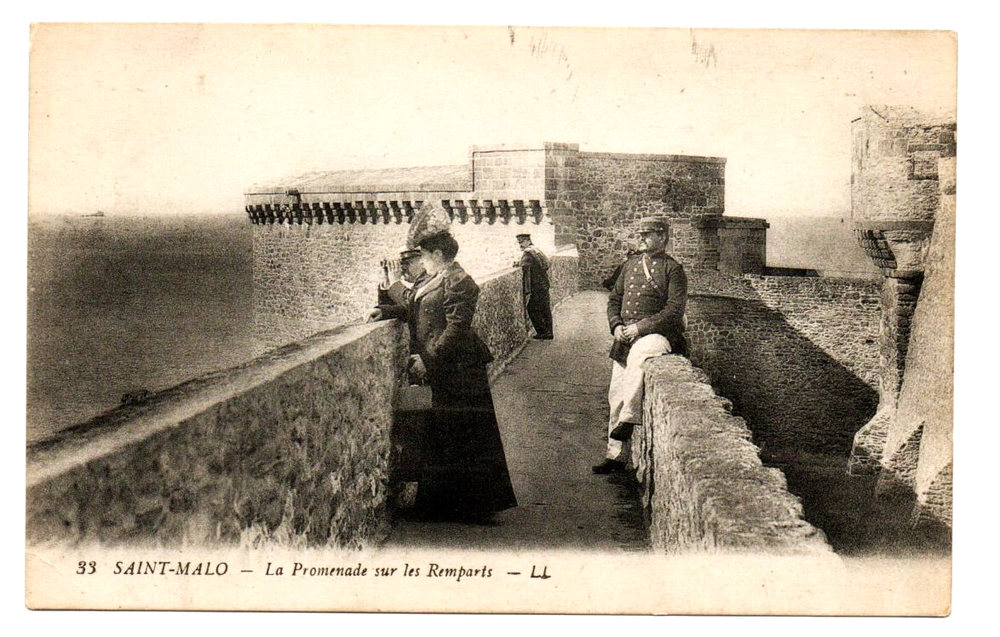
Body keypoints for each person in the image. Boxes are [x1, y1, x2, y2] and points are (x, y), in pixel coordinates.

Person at [377, 218, 518, 522]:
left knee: (464, 435)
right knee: (445, 435)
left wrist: (427, 359)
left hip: (460, 368)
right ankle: (445, 505)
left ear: (438, 254)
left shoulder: (458, 280)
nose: (422, 262)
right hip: (446, 367)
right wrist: (386, 309)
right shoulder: (435, 278)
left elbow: (456, 327)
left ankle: (472, 507)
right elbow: (419, 309)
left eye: (424, 256)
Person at [592, 217, 688, 475]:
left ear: (663, 237)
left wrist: (639, 328)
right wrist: (616, 326)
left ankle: (629, 418)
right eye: (640, 233)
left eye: (648, 233)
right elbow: (614, 300)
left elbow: (674, 310)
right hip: (625, 336)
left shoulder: (673, 269)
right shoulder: (630, 265)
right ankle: (615, 456)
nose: (642, 237)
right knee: (615, 395)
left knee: (641, 355)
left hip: (656, 334)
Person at [514, 233, 553, 340]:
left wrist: (517, 264)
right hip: (544, 283)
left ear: (527, 241)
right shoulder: (536, 250)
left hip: (537, 285)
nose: (520, 245)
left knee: (531, 308)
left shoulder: (528, 253)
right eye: (519, 242)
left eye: (521, 242)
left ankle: (542, 332)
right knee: (545, 308)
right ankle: (549, 332)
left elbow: (524, 264)